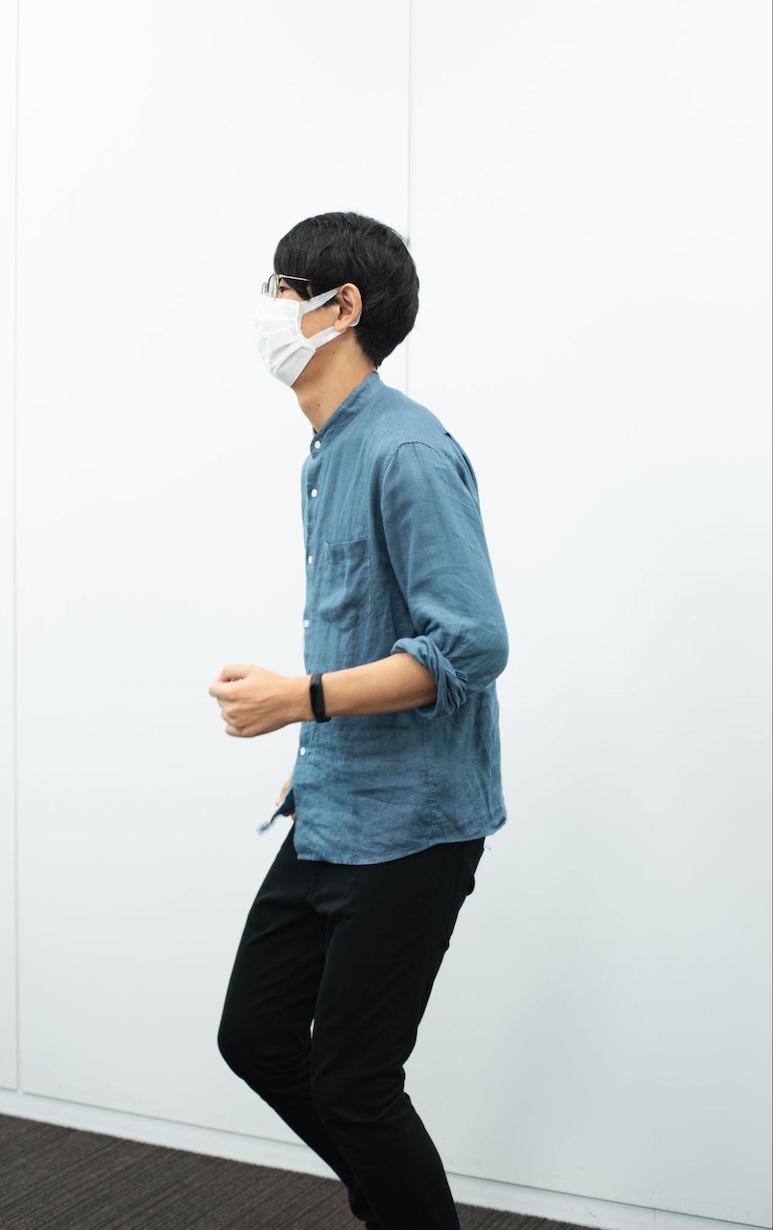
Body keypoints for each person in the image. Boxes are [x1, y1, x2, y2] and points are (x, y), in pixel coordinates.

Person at [209, 210, 510, 1230]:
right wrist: (311, 733)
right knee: (255, 1036)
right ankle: (395, 1202)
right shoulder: (329, 449)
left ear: (342, 309)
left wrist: (299, 698)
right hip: (333, 804)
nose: (266, 308)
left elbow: (471, 644)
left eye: (282, 289)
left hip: (412, 827)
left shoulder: (406, 451)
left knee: (353, 1084)